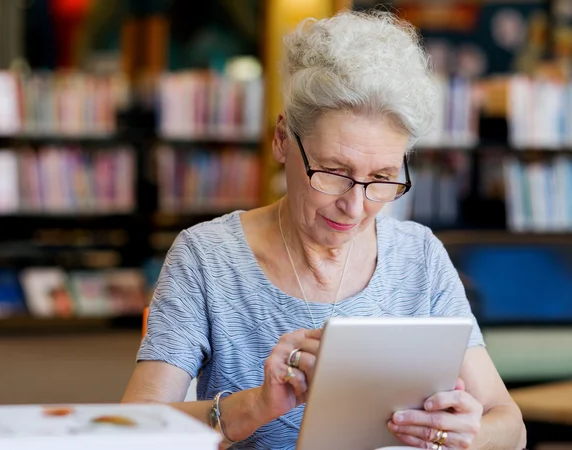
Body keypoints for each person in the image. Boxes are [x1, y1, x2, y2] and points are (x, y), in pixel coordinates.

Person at [122, 10, 526, 450]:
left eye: (383, 177)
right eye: (334, 172)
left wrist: (468, 434)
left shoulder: (419, 257)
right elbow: (137, 429)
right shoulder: (207, 258)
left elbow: (511, 427)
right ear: (282, 139)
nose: (355, 206)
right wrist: (254, 407)